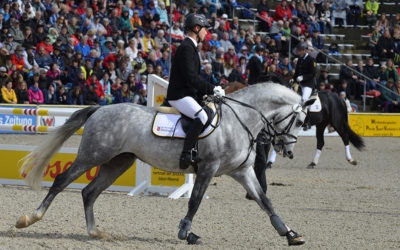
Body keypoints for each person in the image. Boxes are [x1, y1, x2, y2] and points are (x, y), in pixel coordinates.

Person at [166, 13, 225, 170]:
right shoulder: (186, 48)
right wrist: (212, 89)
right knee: (202, 115)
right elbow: (192, 78)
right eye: (205, 29)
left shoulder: (191, 48)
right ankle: (186, 154)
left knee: (208, 111)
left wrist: (206, 94)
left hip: (187, 94)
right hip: (178, 95)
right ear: (197, 28)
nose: (207, 33)